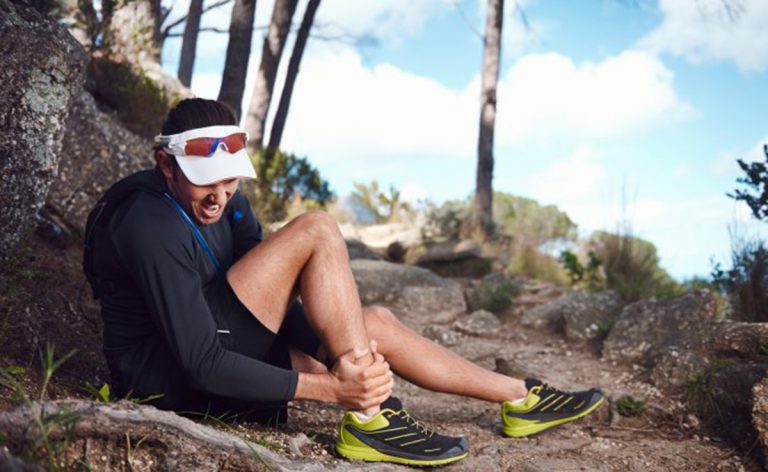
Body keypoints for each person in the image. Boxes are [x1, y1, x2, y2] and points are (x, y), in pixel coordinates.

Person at [84, 98, 605, 467]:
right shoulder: (148, 223)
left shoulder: (230, 205)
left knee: (374, 323)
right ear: (166, 165)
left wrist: (338, 353)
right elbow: (202, 362)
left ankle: (520, 399)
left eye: (230, 180)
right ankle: (370, 421)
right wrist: (334, 389)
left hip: (218, 342)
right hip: (167, 379)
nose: (220, 197)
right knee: (317, 228)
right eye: (206, 183)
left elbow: (265, 303)